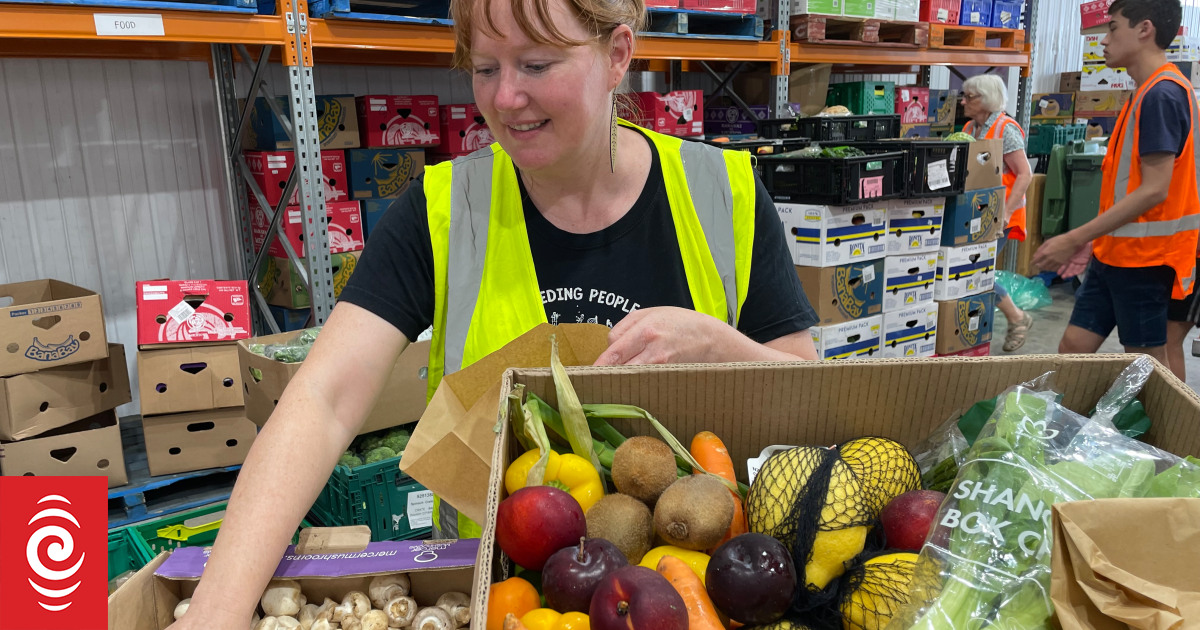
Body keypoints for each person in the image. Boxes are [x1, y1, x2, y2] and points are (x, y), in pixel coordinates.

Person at [167, 0, 820, 625]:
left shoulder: (722, 193)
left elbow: (804, 388)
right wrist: (216, 611)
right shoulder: (441, 210)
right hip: (497, 599)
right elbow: (324, 399)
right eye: (485, 68)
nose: (505, 98)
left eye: (536, 65)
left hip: (704, 601)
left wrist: (720, 347)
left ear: (618, 53)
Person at [1034, 0, 1200, 366]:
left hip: (1146, 261)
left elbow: (1155, 189)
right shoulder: (1143, 92)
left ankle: (1167, 424)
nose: (1103, 41)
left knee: (1144, 367)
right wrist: (1094, 242)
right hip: (1115, 255)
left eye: (1111, 28)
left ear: (1144, 29)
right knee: (1073, 348)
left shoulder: (1162, 94)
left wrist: (1074, 236)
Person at [960, 74, 1035, 352]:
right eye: (965, 95)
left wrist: (1004, 213)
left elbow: (1024, 174)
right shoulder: (971, 127)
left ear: (987, 99)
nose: (964, 101)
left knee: (976, 270)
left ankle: (1017, 318)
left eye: (971, 97)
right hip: (977, 212)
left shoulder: (1005, 129)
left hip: (1000, 214)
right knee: (970, 270)